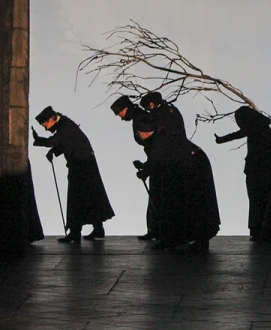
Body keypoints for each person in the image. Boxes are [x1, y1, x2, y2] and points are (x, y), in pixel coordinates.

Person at [133, 115, 220, 252]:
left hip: (192, 171)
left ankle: (177, 239)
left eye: (138, 134)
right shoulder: (162, 138)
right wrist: (145, 167)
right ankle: (181, 238)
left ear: (143, 132)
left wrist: (144, 172)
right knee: (185, 204)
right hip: (191, 168)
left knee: (188, 204)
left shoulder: (159, 141)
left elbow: (157, 160)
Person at [32, 106, 114, 242]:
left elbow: (53, 141)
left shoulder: (65, 126)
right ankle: (97, 229)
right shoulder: (65, 125)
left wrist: (39, 140)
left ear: (52, 119)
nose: (46, 128)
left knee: (77, 199)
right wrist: (53, 151)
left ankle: (76, 233)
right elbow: (66, 142)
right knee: (90, 197)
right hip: (84, 165)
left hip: (82, 166)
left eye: (45, 124)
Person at [215, 106, 271, 242]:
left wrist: (223, 139)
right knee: (259, 200)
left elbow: (241, 133)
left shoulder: (257, 128)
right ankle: (261, 229)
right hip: (260, 170)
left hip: (259, 171)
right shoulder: (261, 127)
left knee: (258, 200)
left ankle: (260, 229)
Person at [110, 94, 156, 240]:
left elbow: (154, 146)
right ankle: (155, 230)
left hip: (157, 161)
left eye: (119, 113)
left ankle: (157, 230)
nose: (120, 117)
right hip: (154, 161)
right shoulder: (140, 116)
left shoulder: (140, 118)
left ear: (125, 108)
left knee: (157, 197)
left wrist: (147, 169)